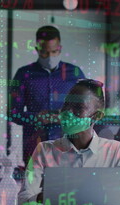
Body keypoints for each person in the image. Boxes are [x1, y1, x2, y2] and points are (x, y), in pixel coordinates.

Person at [10, 25, 86, 166]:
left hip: (69, 147)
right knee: (35, 188)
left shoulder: (75, 74)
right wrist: (37, 117)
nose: (50, 56)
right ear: (37, 49)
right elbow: (13, 113)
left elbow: (86, 111)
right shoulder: (23, 74)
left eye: (54, 51)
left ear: (60, 48)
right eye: (45, 53)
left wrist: (65, 117)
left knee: (68, 187)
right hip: (34, 146)